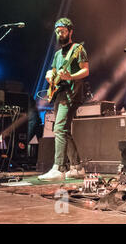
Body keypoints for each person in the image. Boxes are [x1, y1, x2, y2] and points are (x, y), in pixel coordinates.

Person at [38, 18, 89, 181]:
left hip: (71, 95)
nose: (60, 34)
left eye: (63, 31)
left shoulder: (78, 49)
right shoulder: (57, 54)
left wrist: (71, 76)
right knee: (63, 131)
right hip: (58, 94)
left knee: (59, 129)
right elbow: (53, 72)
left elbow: (86, 71)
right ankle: (77, 167)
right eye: (58, 31)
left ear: (70, 31)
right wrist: (49, 76)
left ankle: (59, 167)